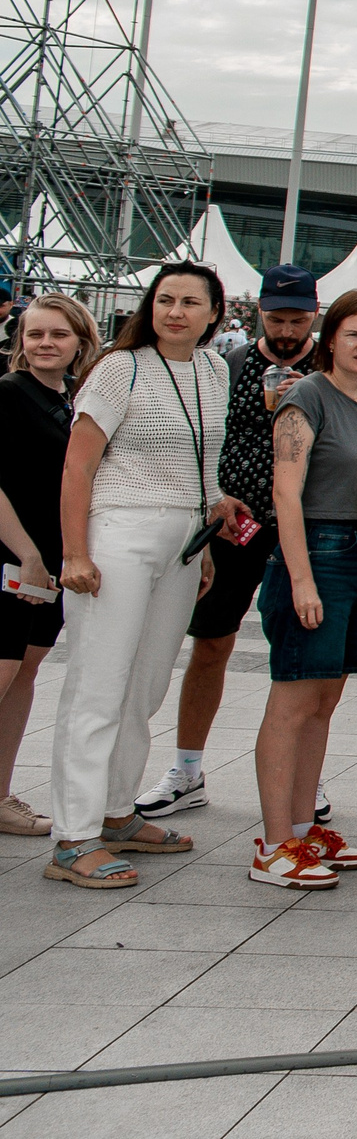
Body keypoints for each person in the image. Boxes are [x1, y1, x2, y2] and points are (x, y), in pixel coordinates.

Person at [48, 263, 246, 887]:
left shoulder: (213, 369)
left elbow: (204, 460)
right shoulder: (120, 367)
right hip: (119, 532)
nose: (175, 312)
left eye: (190, 302)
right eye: (165, 300)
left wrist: (207, 533)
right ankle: (73, 837)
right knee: (99, 684)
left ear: (214, 313)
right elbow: (78, 467)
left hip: (182, 541)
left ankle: (115, 812)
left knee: (147, 684)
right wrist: (75, 554)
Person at [135, 264, 321, 821]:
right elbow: (203, 441)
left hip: (304, 527)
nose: (286, 330)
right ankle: (187, 769)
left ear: (314, 315)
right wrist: (211, 503)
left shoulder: (329, 368)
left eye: (297, 320)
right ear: (257, 313)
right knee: (211, 642)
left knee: (305, 656)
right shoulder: (230, 365)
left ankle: (303, 777)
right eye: (276, 319)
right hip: (235, 525)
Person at [249, 289, 357, 888]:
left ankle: (303, 827)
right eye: (353, 334)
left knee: (323, 701)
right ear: (330, 338)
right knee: (292, 700)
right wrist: (302, 579)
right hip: (316, 550)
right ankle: (273, 845)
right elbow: (286, 492)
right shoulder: (306, 396)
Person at [0, 295, 102, 837]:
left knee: (24, 672)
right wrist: (27, 553)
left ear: (80, 342)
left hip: (50, 563)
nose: (45, 344)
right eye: (35, 334)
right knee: (3, 669)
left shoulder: (74, 398)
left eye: (58, 335)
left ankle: (0, 794)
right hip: (15, 557)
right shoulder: (9, 393)